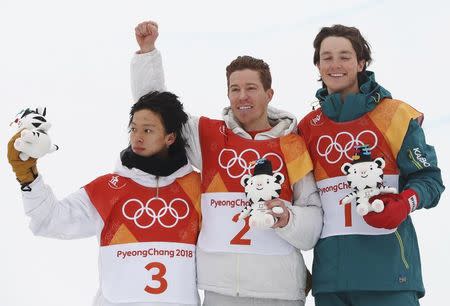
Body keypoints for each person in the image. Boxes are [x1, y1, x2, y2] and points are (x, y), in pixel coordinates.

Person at [131, 21, 323, 306]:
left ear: (269, 94)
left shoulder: (292, 144)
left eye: (251, 88)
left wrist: (288, 218)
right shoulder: (208, 135)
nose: (242, 96)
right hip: (219, 290)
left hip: (278, 291)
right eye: (235, 89)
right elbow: (157, 113)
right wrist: (147, 54)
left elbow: (313, 222)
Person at [7, 91, 202, 306]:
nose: (137, 137)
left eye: (147, 130)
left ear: (170, 137)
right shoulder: (109, 189)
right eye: (133, 129)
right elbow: (50, 220)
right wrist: (29, 177)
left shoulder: (197, 189)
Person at [297, 25, 445, 306]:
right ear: (317, 64)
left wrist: (405, 202)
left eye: (344, 56)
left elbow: (430, 180)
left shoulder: (395, 115)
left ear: (361, 62)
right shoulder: (307, 127)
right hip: (330, 282)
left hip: (389, 278)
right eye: (326, 57)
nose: (335, 64)